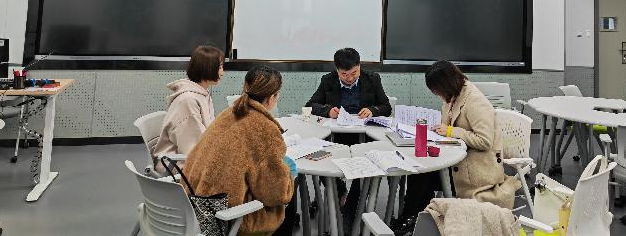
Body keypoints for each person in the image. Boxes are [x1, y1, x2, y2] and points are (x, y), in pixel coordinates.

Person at [393, 61, 519, 234]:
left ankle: (412, 221)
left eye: (436, 90)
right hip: (458, 161)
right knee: (420, 172)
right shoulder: (453, 96)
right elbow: (448, 126)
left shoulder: (475, 102)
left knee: (424, 177)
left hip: (475, 170)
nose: (436, 94)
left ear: (446, 84)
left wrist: (451, 131)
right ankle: (413, 219)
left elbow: (485, 141)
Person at [183, 65, 297, 236]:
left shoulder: (229, 113)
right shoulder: (265, 129)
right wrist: (288, 175)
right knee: (289, 189)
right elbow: (275, 194)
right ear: (272, 97)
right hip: (226, 218)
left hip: (194, 205)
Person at [306, 47, 392, 226]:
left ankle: (351, 208)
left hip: (364, 134)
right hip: (336, 134)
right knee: (320, 159)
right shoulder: (328, 80)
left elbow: (386, 107)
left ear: (359, 66)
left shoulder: (372, 79)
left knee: (367, 166)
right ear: (337, 70)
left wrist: (373, 110)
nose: (350, 78)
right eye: (344, 74)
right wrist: (328, 111)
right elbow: (311, 105)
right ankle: (338, 191)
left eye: (354, 73)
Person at [154, 45, 224, 170]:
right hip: (177, 165)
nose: (222, 73)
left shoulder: (202, 93)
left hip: (190, 158)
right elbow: (194, 149)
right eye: (220, 67)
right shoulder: (188, 100)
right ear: (208, 68)